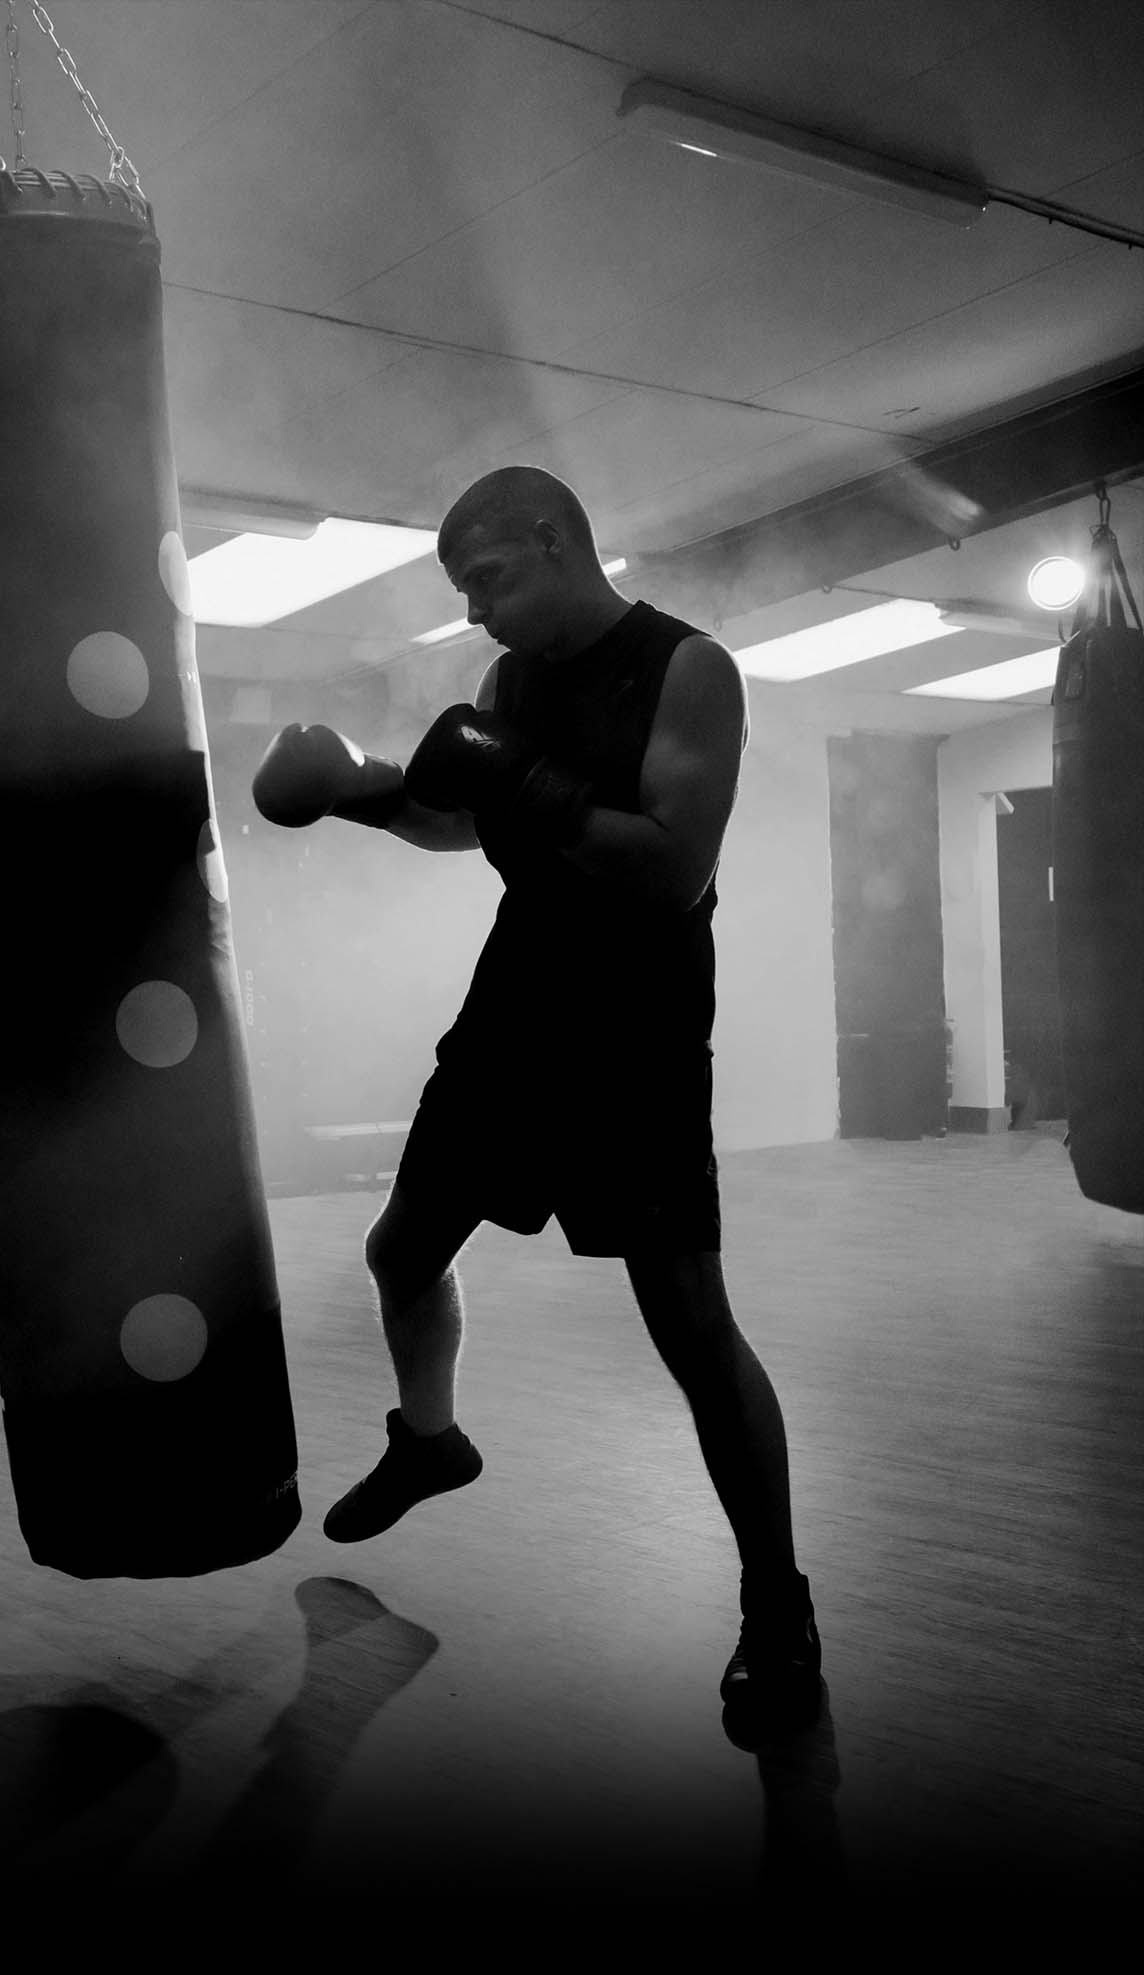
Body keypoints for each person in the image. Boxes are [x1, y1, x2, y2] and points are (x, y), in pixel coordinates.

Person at [250, 466, 822, 1725]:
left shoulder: (690, 668)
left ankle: (778, 1609)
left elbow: (672, 868)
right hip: (516, 1014)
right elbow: (465, 821)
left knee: (689, 1322)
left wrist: (513, 781)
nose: (476, 613)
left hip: (639, 1031)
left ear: (557, 542)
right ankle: (432, 1439)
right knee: (401, 1246)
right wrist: (356, 792)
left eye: (488, 579)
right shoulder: (512, 686)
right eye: (463, 593)